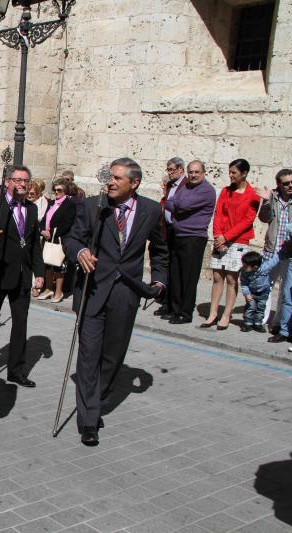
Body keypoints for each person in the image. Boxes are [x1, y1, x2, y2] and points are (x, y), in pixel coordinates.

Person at [64, 157, 168, 446]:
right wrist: (81, 251)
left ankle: (96, 399)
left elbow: (160, 249)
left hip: (126, 293)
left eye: (117, 178)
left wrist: (159, 280)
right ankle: (88, 420)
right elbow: (72, 239)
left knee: (112, 359)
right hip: (93, 290)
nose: (110, 182)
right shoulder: (93, 206)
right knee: (88, 358)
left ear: (133, 183)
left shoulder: (150, 210)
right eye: (110, 176)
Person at [0, 165, 45, 387]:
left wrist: (40, 273)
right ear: (7, 182)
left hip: (22, 275)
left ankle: (16, 369)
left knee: (21, 324)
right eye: (17, 180)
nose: (22, 184)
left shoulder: (32, 210)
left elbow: (35, 244)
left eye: (26, 180)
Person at [201, 159, 260, 330]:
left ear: (244, 173)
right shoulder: (226, 192)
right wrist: (218, 236)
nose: (231, 175)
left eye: (234, 172)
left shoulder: (253, 195)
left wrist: (227, 237)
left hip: (238, 241)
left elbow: (248, 220)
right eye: (230, 172)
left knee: (231, 278)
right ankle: (213, 313)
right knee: (217, 277)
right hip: (221, 240)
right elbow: (218, 213)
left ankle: (226, 314)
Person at [162, 160, 216, 324]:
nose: (193, 175)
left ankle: (185, 313)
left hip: (194, 238)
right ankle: (175, 309)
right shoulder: (186, 186)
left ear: (203, 173)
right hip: (179, 235)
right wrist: (175, 204)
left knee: (188, 277)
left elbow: (181, 204)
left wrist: (175, 204)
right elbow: (169, 203)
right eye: (191, 172)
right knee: (176, 274)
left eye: (197, 172)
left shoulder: (206, 190)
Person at [257, 169, 292, 339]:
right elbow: (264, 218)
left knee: (285, 291)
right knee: (265, 286)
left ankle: (278, 323)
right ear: (279, 184)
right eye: (286, 183)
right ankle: (261, 320)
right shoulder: (273, 197)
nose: (290, 185)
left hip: (289, 252)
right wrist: (265, 201)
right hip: (272, 249)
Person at [154, 157, 186, 317]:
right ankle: (166, 302)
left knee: (176, 269)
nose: (170, 172)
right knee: (166, 266)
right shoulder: (170, 185)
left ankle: (176, 304)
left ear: (181, 170)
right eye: (168, 170)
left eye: (172, 169)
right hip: (167, 229)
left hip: (179, 229)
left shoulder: (186, 185)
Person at [37, 177, 76, 303]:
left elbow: (67, 223)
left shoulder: (69, 204)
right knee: (47, 265)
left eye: (59, 190)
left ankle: (59, 291)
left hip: (59, 239)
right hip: (48, 238)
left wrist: (53, 232)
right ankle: (48, 289)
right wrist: (42, 229)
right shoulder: (52, 203)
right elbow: (44, 219)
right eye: (55, 189)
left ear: (65, 190)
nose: (56, 192)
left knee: (59, 265)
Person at [240, 251, 283, 333]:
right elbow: (244, 283)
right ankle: (247, 324)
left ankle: (258, 324)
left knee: (261, 309)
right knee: (250, 308)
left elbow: (273, 261)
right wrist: (247, 294)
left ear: (255, 267)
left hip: (263, 293)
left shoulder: (265, 267)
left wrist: (282, 252)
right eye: (243, 264)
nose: (243, 267)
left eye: (246, 266)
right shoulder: (244, 272)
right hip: (251, 294)